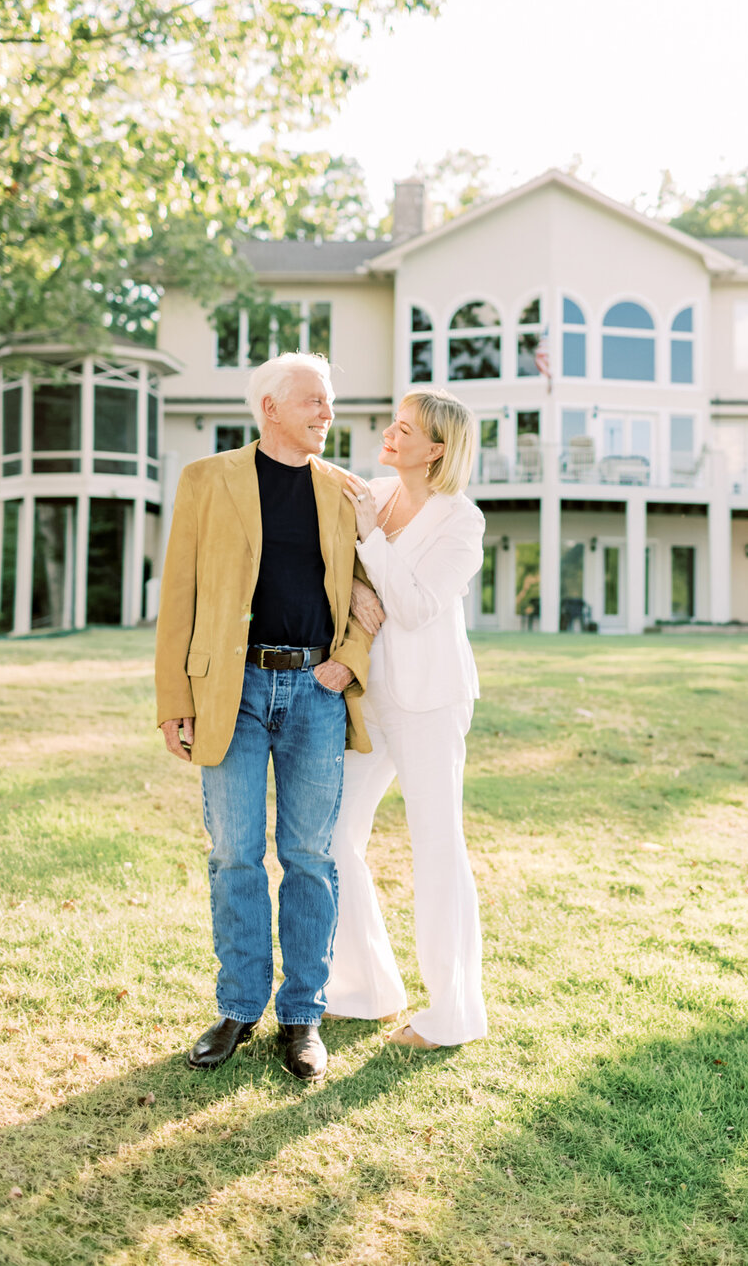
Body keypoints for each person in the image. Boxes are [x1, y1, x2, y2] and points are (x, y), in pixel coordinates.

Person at [154, 352, 374, 1082]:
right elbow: (179, 596)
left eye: (331, 402)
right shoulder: (206, 480)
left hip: (315, 691)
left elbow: (370, 592)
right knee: (233, 853)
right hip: (231, 693)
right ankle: (239, 1006)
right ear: (271, 407)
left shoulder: (344, 492)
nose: (327, 413)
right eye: (314, 400)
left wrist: (349, 657)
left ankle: (303, 1017)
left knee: (311, 858)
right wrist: (174, 700)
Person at [326, 387, 488, 1049]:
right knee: (331, 837)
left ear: (437, 450)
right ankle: (366, 989)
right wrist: (361, 587)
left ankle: (452, 1015)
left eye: (405, 429)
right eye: (393, 424)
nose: (390, 434)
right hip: (367, 695)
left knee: (436, 847)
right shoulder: (368, 492)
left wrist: (370, 543)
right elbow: (339, 574)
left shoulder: (461, 521)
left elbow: (420, 606)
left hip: (431, 700)